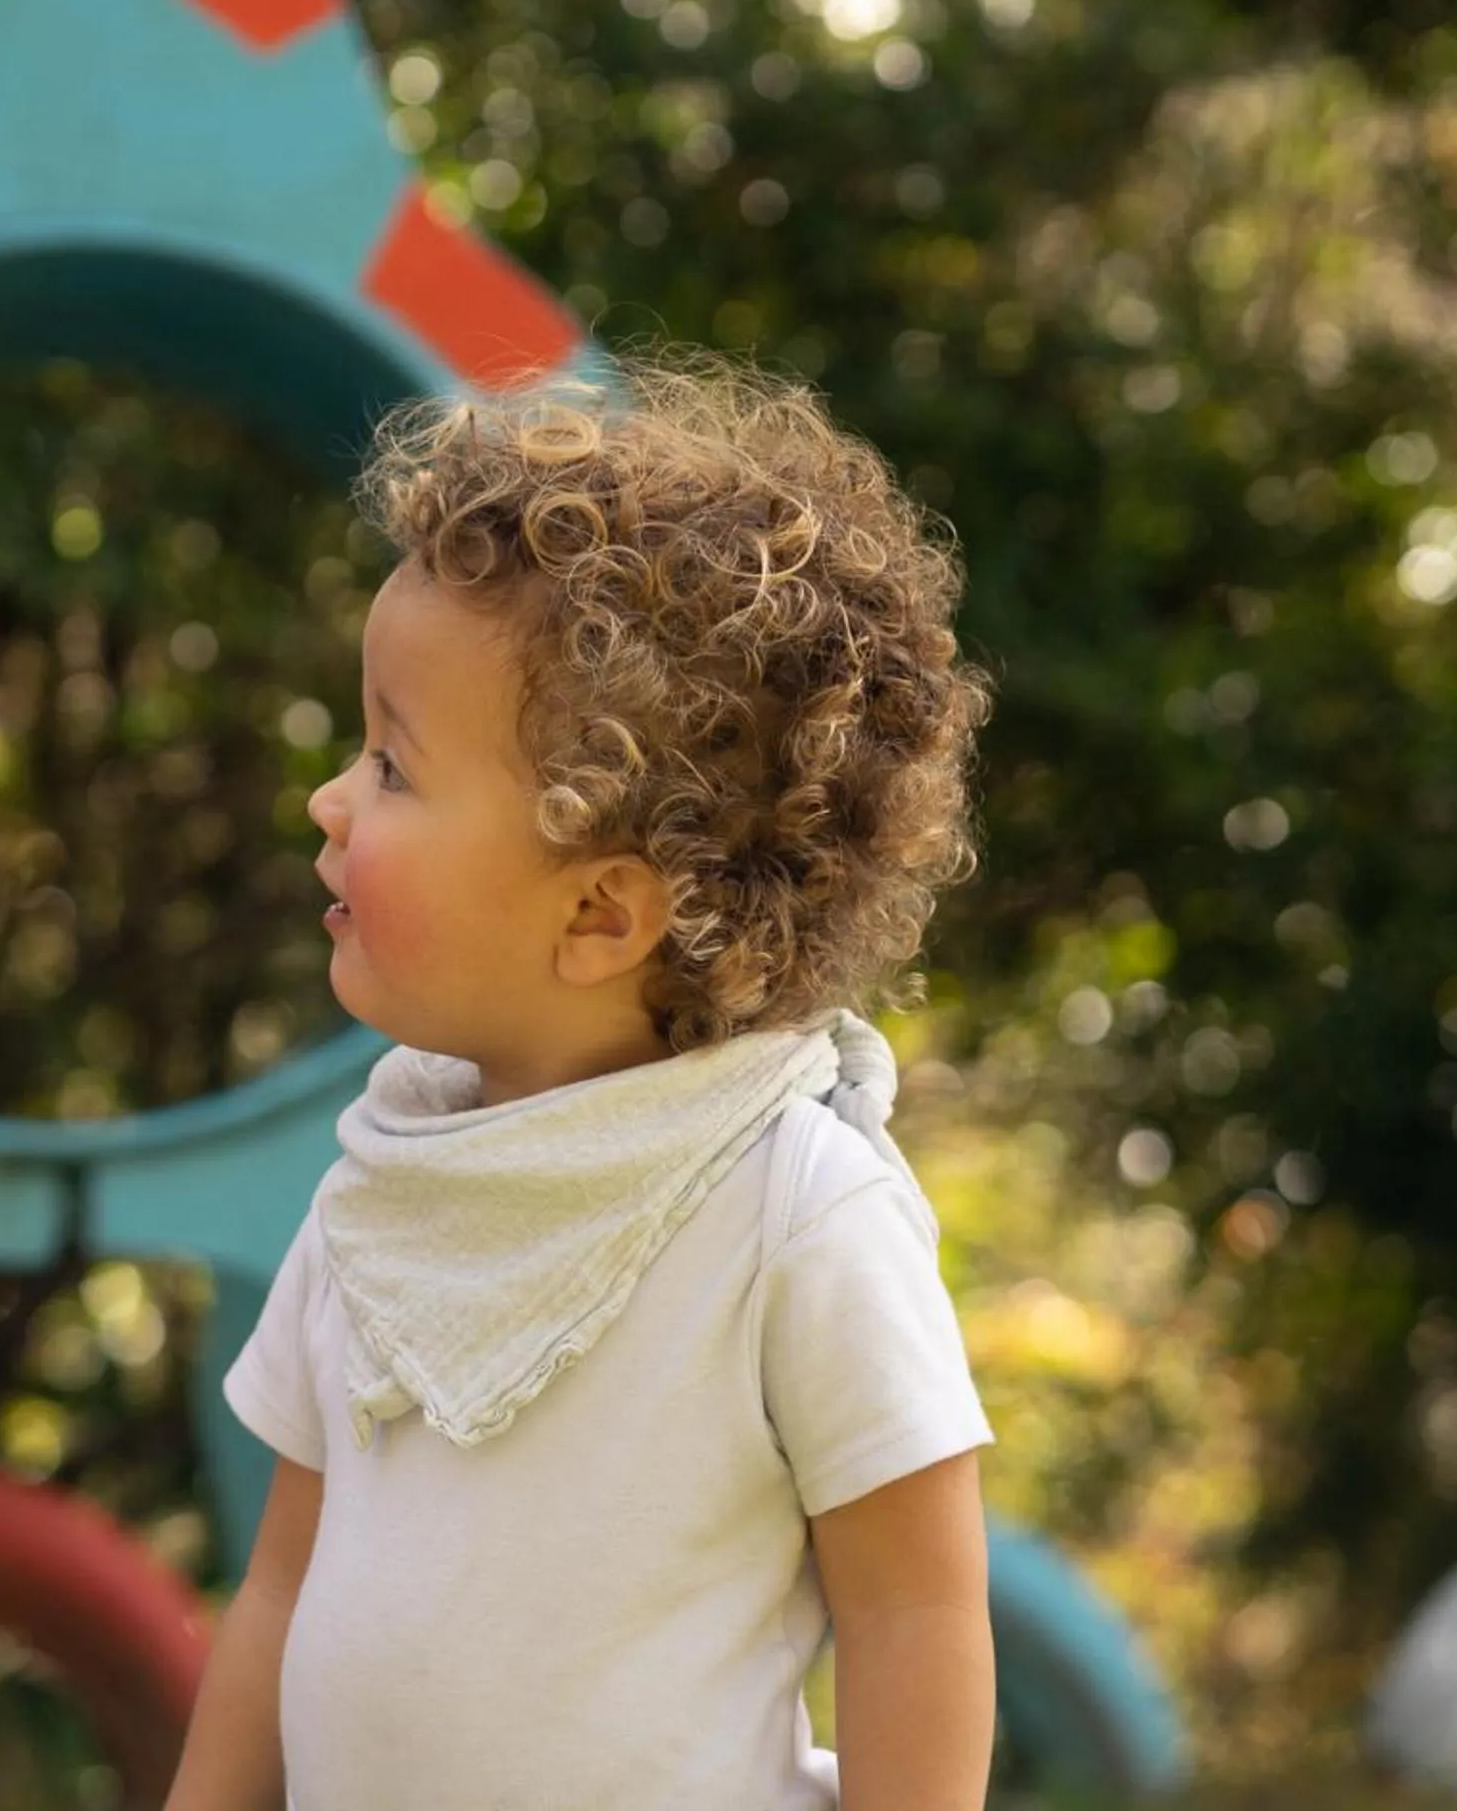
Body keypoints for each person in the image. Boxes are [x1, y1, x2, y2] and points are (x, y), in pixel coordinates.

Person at [166, 346, 998, 1810]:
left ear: (601, 916)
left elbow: (913, 1612)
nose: (329, 797)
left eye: (393, 768)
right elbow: (282, 1591)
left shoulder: (791, 1212)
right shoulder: (387, 1186)